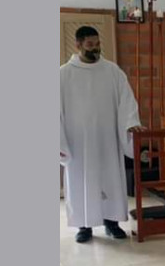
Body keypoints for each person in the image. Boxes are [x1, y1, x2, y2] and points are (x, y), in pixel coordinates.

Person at [60, 26, 144, 244]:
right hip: (78, 142)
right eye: (90, 45)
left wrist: (131, 123)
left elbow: (126, 100)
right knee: (81, 180)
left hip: (108, 138)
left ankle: (112, 223)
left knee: (110, 178)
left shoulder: (112, 71)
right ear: (78, 45)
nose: (95, 49)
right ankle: (84, 226)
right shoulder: (63, 74)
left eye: (97, 44)